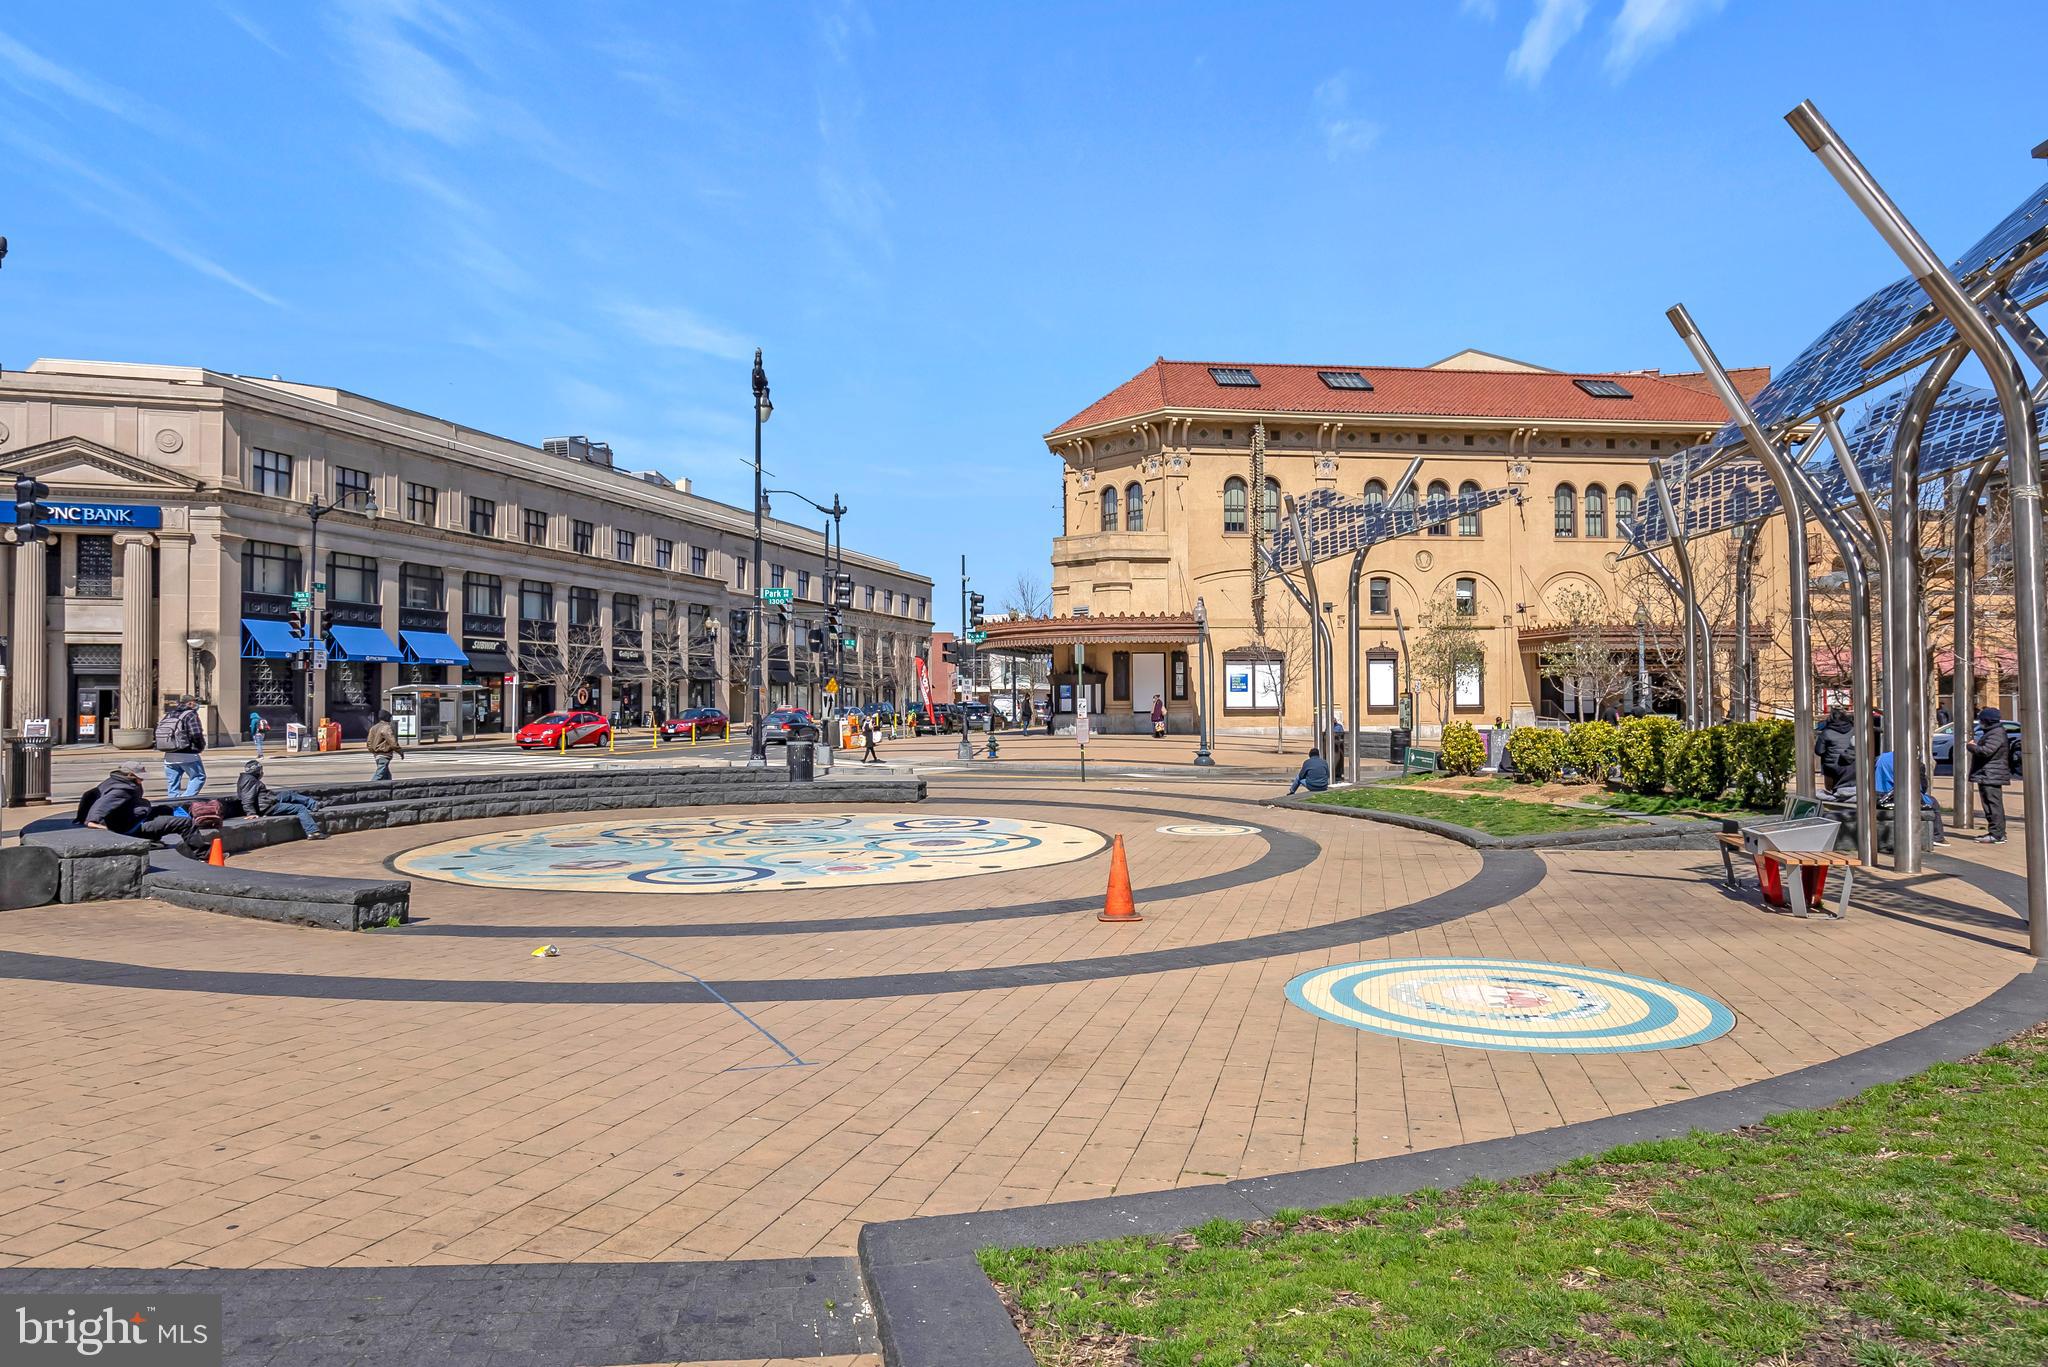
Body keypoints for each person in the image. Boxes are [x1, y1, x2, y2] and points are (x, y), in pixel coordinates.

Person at [81, 765, 196, 845]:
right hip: (132, 827)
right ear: (131, 775)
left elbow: (88, 795)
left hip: (135, 816)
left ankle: (198, 820)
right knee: (185, 823)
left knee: (167, 809)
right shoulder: (121, 790)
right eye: (141, 777)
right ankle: (203, 855)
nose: (143, 779)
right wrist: (103, 827)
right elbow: (98, 809)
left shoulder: (117, 781)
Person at [1872, 750, 1947, 846]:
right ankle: (1937, 837)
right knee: (1933, 802)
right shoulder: (1913, 762)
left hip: (1877, 795)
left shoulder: (1882, 757)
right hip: (1898, 797)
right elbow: (1922, 787)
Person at [237, 759, 325, 840]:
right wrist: (251, 813)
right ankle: (312, 832)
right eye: (260, 770)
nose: (262, 772)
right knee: (300, 808)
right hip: (267, 807)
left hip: (267, 799)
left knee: (289, 794)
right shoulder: (249, 781)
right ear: (257, 771)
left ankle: (313, 804)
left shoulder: (248, 778)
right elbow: (247, 798)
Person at [1967, 707, 2013, 844]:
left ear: (1986, 720)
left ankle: (1997, 834)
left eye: (1981, 719)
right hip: (1988, 773)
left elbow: (1986, 751)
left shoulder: (1996, 733)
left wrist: (1972, 747)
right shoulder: (1993, 732)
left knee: (1993, 804)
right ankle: (1996, 832)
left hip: (1991, 774)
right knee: (1990, 804)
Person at [155, 696, 207, 799]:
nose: (196, 705)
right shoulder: (191, 715)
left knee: (172, 784)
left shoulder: (169, 714)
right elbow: (196, 733)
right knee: (198, 777)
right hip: (187, 753)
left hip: (169, 754)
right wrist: (200, 746)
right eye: (195, 703)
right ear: (190, 703)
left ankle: (173, 805)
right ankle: (185, 800)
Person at [1814, 706, 1857, 792]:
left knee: (1830, 789)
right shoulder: (1854, 730)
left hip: (1831, 768)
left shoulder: (1826, 733)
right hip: (1852, 766)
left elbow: (1819, 751)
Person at [366, 708, 405, 781]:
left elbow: (369, 742)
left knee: (386, 775)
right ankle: (368, 787)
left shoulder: (373, 727)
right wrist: (400, 751)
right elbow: (392, 742)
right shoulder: (386, 727)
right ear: (387, 718)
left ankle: (389, 787)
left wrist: (373, 751)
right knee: (379, 774)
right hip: (384, 754)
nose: (390, 720)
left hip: (377, 754)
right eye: (389, 718)